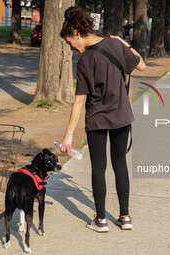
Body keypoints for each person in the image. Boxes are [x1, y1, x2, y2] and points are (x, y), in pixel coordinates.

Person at [60, 6, 146, 233]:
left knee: (99, 167)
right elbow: (142, 65)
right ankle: (125, 217)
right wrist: (124, 43)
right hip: (121, 116)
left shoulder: (86, 61)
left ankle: (101, 220)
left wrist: (68, 135)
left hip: (97, 119)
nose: (72, 48)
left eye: (70, 42)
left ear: (77, 33)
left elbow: (79, 101)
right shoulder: (115, 44)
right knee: (120, 165)